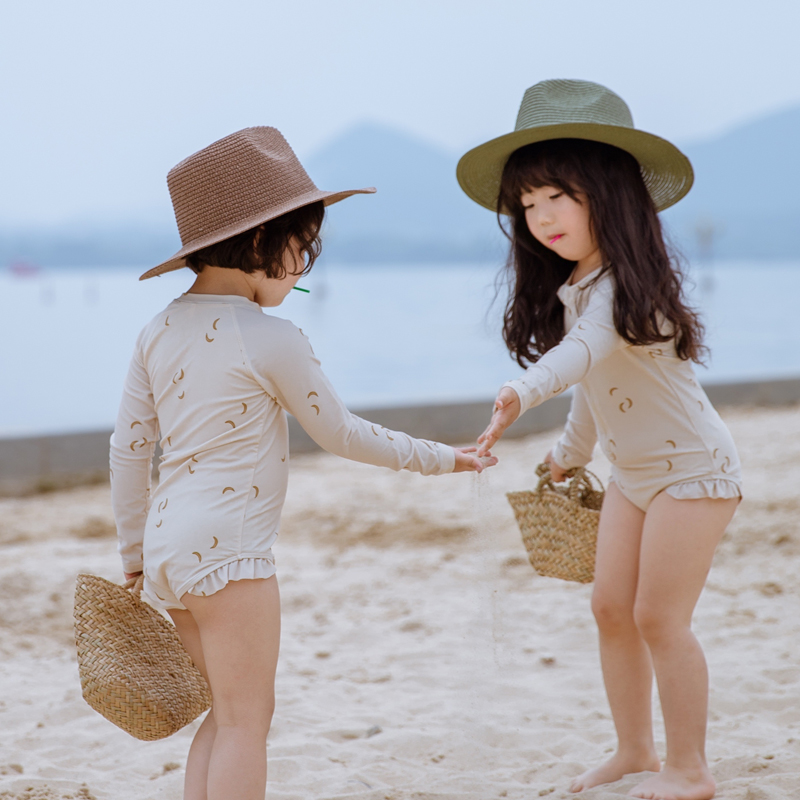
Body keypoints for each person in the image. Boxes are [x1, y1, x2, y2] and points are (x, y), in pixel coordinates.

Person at [109, 126, 497, 800]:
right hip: (229, 553)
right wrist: (447, 460)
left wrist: (133, 549)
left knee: (220, 718)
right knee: (246, 723)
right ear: (264, 240)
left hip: (169, 548)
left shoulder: (156, 329)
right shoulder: (271, 337)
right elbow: (342, 434)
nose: (305, 267)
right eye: (303, 248)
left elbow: (129, 448)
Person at [459, 80, 741, 800]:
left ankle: (691, 770)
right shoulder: (578, 284)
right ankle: (634, 749)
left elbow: (583, 353)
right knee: (610, 608)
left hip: (693, 473)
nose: (541, 216)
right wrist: (567, 457)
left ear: (607, 193)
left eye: (558, 195)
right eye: (527, 204)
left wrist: (521, 390)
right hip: (634, 476)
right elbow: (595, 389)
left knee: (658, 617)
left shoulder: (617, 288)